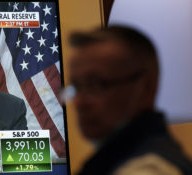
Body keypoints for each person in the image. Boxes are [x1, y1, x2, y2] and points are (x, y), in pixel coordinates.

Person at [66, 25, 192, 175]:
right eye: (76, 87)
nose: (79, 102)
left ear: (145, 87)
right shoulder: (113, 160)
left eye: (95, 85)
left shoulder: (149, 170)